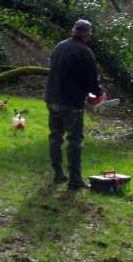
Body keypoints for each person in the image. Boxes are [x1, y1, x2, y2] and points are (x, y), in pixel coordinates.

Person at [44, 19, 106, 189]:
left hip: (52, 98)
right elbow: (91, 81)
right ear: (87, 35)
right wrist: (100, 94)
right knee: (75, 140)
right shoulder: (85, 52)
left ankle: (57, 174)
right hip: (71, 103)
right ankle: (75, 180)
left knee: (55, 137)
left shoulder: (59, 46)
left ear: (73, 31)